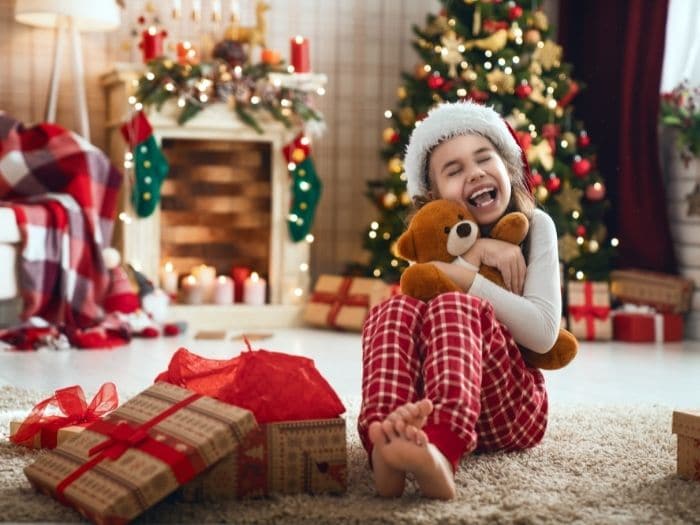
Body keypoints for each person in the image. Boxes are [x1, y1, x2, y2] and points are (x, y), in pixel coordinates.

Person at [357, 101, 561, 500]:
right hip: (425, 410)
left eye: (484, 159)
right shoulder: (435, 239)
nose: (475, 173)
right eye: (455, 170)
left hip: (511, 409)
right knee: (393, 308)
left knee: (455, 306)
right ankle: (385, 442)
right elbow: (407, 324)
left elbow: (543, 334)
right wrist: (474, 253)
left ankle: (441, 451)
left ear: (509, 167)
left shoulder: (537, 226)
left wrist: (462, 276)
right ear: (433, 196)